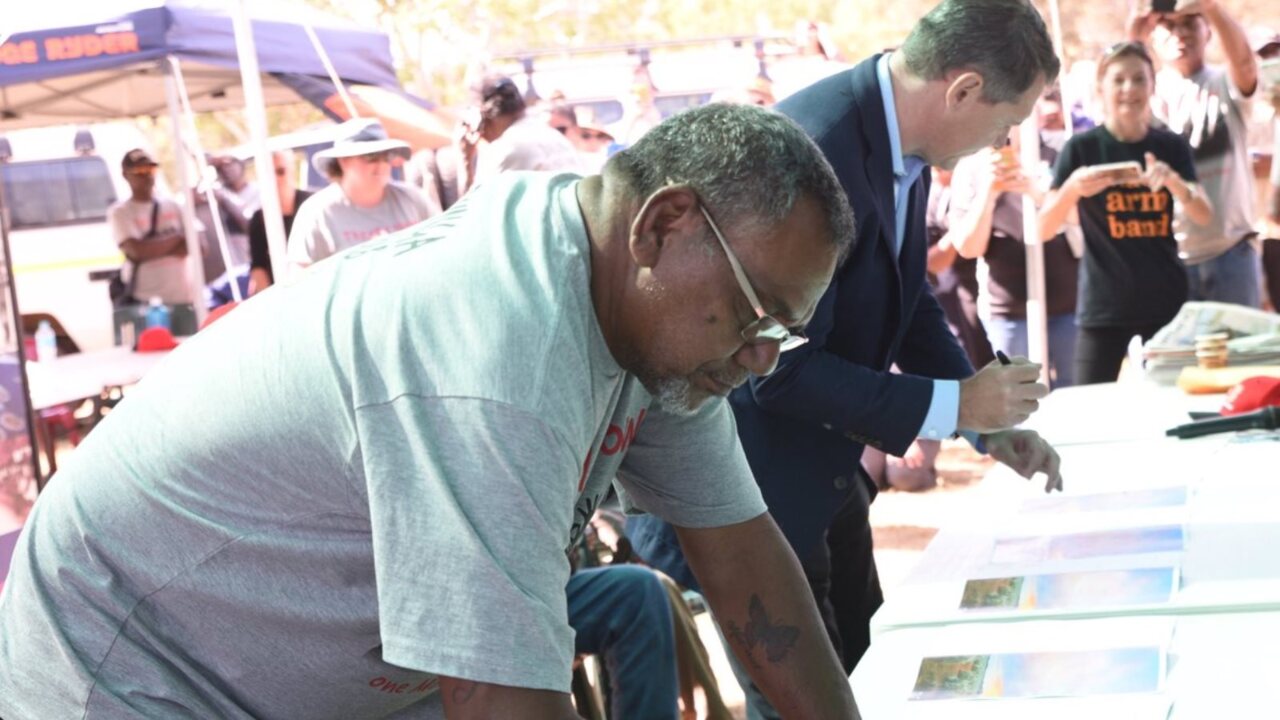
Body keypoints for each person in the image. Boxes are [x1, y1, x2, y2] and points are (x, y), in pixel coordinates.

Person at [0, 104, 864, 719]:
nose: (759, 359)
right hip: (131, 672)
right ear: (665, 225)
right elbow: (499, 700)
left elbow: (748, 562)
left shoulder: (655, 317)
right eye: (756, 314)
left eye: (780, 332)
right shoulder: (500, 355)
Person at [631, 3, 1065, 716]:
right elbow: (779, 368)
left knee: (874, 677)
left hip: (822, 475)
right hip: (749, 490)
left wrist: (982, 419)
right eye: (1004, 119)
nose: (1003, 139)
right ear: (960, 90)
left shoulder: (911, 141)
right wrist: (957, 405)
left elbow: (905, 295)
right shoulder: (815, 148)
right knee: (806, 702)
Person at [1038, 41, 1213, 385]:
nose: (1129, 89)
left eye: (1138, 79)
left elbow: (1205, 215)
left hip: (1166, 301)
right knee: (1089, 404)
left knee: (1173, 404)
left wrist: (1176, 184)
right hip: (1104, 304)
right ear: (1101, 88)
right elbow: (1043, 228)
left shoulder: (1170, 146)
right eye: (1118, 80)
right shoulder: (1082, 148)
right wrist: (1074, 187)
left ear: (1152, 85)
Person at [1129, 0, 1260, 307]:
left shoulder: (1223, 83)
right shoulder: (1146, 94)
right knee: (1174, 356)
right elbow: (1112, 99)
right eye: (1168, 25)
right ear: (1152, 36)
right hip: (1169, 258)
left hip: (1232, 252)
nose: (1180, 33)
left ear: (1207, 32)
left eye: (1190, 23)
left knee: (1241, 354)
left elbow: (1245, 65)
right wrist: (1133, 35)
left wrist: (1212, 7)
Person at [949, 125, 1079, 388]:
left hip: (1070, 304)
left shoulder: (1059, 150)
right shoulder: (970, 165)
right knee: (1018, 398)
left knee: (1074, 392)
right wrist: (989, 194)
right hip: (1006, 312)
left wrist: (1035, 191)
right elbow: (967, 247)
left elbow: (1082, 217)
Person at [287, 119, 433, 268]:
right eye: (371, 157)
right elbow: (299, 278)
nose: (381, 165)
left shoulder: (414, 199)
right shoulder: (317, 213)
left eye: (386, 156)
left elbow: (441, 248)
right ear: (344, 161)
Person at [461, 75, 582, 193]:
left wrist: (465, 161)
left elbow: (473, 211)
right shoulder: (555, 137)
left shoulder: (507, 148)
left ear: (479, 115)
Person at [107, 149, 195, 309]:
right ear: (126, 175)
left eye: (150, 169)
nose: (146, 175)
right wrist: (176, 238)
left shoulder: (174, 205)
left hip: (184, 298)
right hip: (147, 302)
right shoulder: (120, 212)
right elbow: (137, 251)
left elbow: (198, 246)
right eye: (139, 171)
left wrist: (153, 248)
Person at [247, 151, 312, 295]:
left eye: (280, 171)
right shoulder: (259, 219)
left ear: (292, 172)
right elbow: (258, 267)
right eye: (269, 174)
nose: (275, 179)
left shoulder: (313, 204)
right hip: (282, 292)